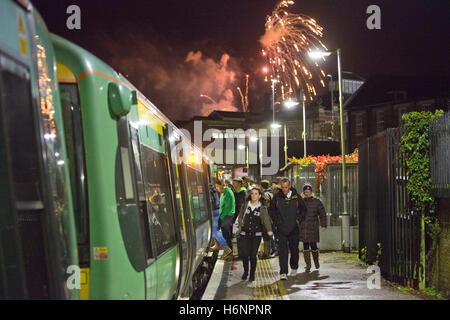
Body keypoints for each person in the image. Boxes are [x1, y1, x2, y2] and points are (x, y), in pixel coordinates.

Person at [271, 178, 307, 280]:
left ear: (290, 186)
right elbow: (271, 210)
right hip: (281, 228)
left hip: (294, 228)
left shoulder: (296, 197)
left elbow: (304, 209)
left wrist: (298, 219)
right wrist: (277, 221)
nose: (284, 189)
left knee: (294, 249)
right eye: (282, 187)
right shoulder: (277, 197)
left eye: (286, 187)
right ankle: (283, 272)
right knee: (282, 251)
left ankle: (294, 267)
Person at [235, 187, 273, 282]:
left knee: (252, 255)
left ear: (260, 196)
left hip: (256, 235)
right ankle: (246, 271)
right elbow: (240, 217)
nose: (253, 195)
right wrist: (240, 224)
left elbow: (266, 220)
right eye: (252, 193)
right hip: (245, 234)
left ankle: (252, 274)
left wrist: (269, 230)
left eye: (256, 193)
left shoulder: (262, 208)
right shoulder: (245, 205)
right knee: (245, 254)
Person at [299, 182, 327, 272]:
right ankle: (308, 265)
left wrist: (323, 225)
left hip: (313, 226)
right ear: (303, 192)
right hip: (303, 227)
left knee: (314, 245)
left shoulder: (317, 202)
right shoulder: (300, 202)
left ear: (311, 191)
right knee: (305, 246)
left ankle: (316, 261)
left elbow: (322, 214)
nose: (307, 193)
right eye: (305, 191)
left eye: (309, 191)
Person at [214, 180, 235, 260]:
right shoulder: (223, 193)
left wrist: (221, 218)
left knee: (226, 236)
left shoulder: (228, 192)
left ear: (222, 185)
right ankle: (228, 252)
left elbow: (226, 208)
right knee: (224, 235)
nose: (216, 188)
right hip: (224, 216)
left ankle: (230, 253)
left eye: (217, 186)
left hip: (227, 216)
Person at [209, 183, 229, 255]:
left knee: (214, 231)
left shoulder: (208, 189)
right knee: (215, 230)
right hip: (217, 210)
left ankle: (227, 248)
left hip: (213, 212)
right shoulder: (213, 188)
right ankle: (217, 245)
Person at [259, 180, 275, 259]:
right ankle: (269, 251)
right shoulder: (271, 193)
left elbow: (266, 206)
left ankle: (268, 253)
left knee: (267, 235)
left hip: (267, 217)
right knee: (269, 235)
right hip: (271, 217)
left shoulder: (265, 194)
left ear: (261, 186)